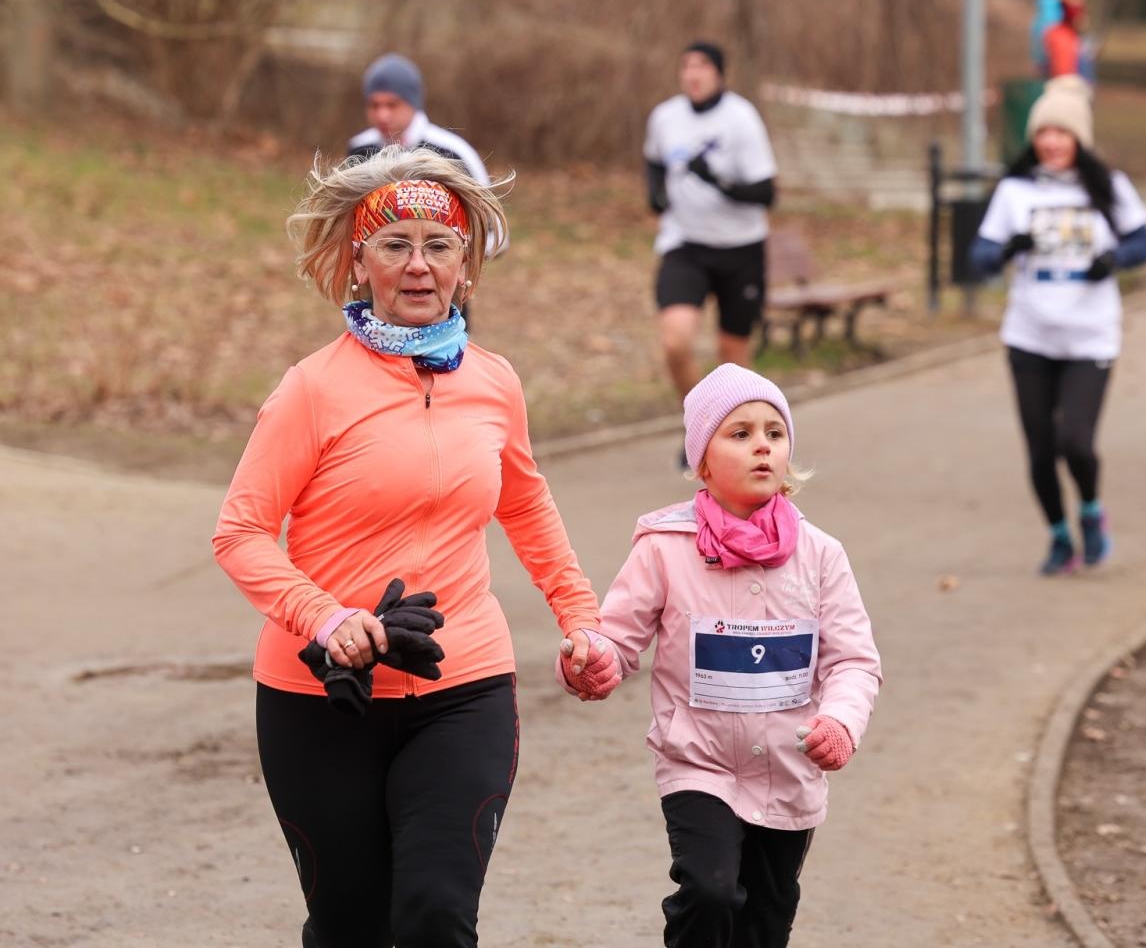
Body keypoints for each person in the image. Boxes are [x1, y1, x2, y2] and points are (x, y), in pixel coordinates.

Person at [212, 146, 609, 946]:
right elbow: (241, 533)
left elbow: (526, 504)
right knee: (351, 926)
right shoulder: (312, 390)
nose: (418, 266)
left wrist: (582, 618)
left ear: (467, 266)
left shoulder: (495, 383)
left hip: (463, 687)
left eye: (439, 246)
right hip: (320, 696)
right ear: (359, 263)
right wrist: (326, 620)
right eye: (395, 245)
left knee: (433, 916)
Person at [562, 364, 882, 947]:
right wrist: (596, 659)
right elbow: (619, 636)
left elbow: (853, 661)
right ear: (701, 462)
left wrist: (840, 721)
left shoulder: (821, 555)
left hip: (790, 772)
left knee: (765, 918)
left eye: (774, 433)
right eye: (739, 434)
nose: (762, 445)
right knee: (708, 893)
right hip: (698, 765)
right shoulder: (665, 549)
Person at [969, 75, 1146, 575]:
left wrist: (1113, 259)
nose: (1051, 142)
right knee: (1039, 451)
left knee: (1075, 441)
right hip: (1029, 336)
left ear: (1080, 138)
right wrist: (1009, 248)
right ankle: (1059, 536)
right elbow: (981, 255)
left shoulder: (1109, 188)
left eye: (1062, 133)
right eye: (1043, 133)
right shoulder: (1015, 191)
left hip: (1090, 335)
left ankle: (1092, 512)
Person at [644, 41, 779, 465]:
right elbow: (653, 163)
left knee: (733, 357)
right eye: (686, 66)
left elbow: (766, 192)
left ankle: (736, 442)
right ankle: (702, 429)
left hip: (740, 249)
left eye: (702, 66)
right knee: (675, 341)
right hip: (685, 245)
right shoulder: (665, 117)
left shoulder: (741, 119)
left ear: (719, 74)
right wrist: (657, 194)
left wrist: (718, 181)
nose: (692, 74)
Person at [347, 53, 506, 258]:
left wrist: (447, 257)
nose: (382, 115)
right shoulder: (359, 149)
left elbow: (496, 235)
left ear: (413, 103)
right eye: (374, 105)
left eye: (392, 104)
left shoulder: (453, 152)